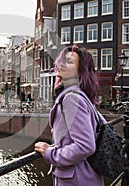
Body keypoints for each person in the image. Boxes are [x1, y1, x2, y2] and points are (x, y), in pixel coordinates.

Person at [34, 44, 104, 185]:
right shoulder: (81, 95)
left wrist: (51, 153)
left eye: (70, 62)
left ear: (80, 71)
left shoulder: (72, 98)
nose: (62, 64)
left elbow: (85, 146)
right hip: (85, 176)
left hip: (76, 179)